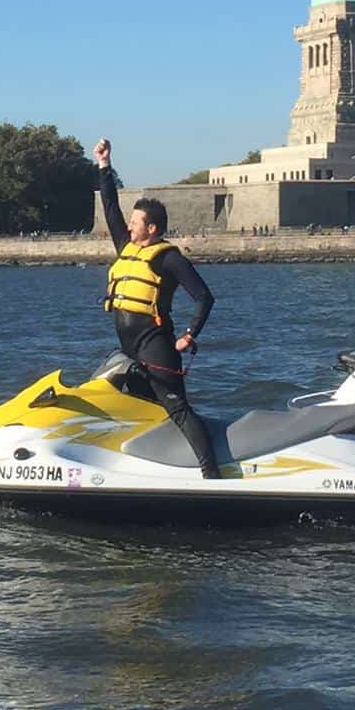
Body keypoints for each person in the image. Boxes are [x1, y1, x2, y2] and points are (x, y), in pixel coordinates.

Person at [93, 138, 225, 479]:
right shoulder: (126, 246)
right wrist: (104, 166)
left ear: (151, 228)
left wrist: (188, 335)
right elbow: (110, 208)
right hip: (129, 348)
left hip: (156, 345)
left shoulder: (169, 258)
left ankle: (212, 475)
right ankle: (148, 467)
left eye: (136, 221)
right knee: (135, 405)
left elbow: (204, 297)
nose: (130, 225)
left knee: (177, 409)